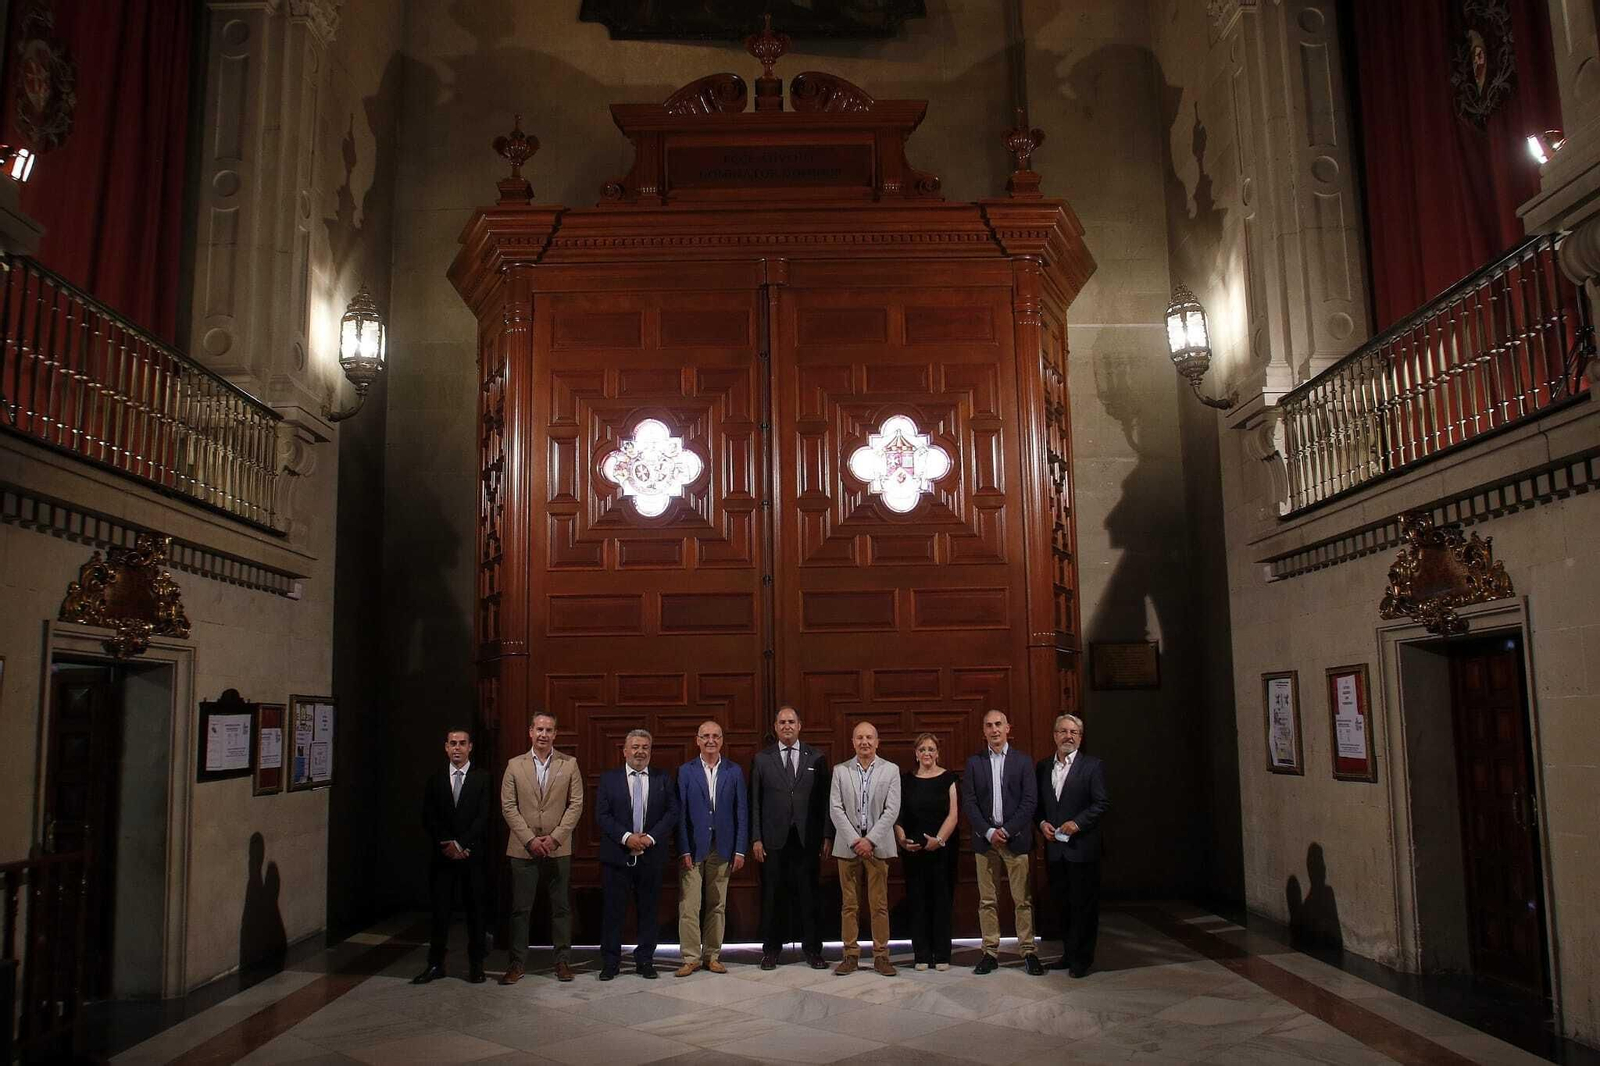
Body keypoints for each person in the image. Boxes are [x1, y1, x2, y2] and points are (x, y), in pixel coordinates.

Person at [500, 712, 583, 984]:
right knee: (520, 909)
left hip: (558, 849)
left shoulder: (569, 764)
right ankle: (517, 964)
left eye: (549, 730)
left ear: (556, 734)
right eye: (539, 729)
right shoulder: (514, 765)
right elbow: (509, 807)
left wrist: (555, 838)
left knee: (561, 908)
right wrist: (530, 840)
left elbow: (576, 805)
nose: (544, 734)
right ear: (530, 732)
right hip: (523, 849)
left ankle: (562, 962)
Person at [960, 709, 1043, 975]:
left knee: (1022, 899)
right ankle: (990, 952)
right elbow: (969, 802)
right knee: (987, 900)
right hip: (985, 843)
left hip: (1015, 840)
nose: (994, 729)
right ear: (983, 731)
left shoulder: (1023, 761)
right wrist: (988, 832)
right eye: (989, 725)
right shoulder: (975, 763)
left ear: (1008, 728)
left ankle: (1028, 951)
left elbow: (1030, 801)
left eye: (998, 724)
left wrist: (1007, 830)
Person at [749, 705, 832, 970]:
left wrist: (827, 836)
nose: (787, 726)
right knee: (773, 896)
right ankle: (771, 950)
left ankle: (812, 950)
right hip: (774, 840)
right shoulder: (762, 759)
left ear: (800, 726)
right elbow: (755, 803)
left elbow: (825, 802)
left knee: (809, 896)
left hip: (807, 840)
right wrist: (756, 838)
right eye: (782, 722)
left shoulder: (816, 758)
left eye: (791, 722)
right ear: (775, 727)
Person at [595, 729, 679, 980]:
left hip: (651, 856)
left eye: (645, 747)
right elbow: (602, 815)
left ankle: (645, 961)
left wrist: (649, 839)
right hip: (617, 857)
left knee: (649, 912)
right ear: (625, 751)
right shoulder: (609, 779)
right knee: (613, 913)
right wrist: (627, 838)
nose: (640, 751)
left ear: (650, 751)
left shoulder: (663, 778)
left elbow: (672, 812)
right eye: (635, 747)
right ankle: (610, 963)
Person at [415, 727, 491, 984]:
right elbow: (429, 817)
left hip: (472, 856)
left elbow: (483, 817)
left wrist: (463, 843)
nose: (457, 748)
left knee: (476, 913)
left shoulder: (482, 778)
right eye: (452, 743)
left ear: (470, 747)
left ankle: (476, 965)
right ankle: (435, 964)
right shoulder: (435, 780)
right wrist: (448, 844)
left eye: (462, 743)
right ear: (446, 747)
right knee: (440, 913)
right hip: (443, 857)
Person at [1038, 713, 1109, 977]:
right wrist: (1041, 823)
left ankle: (1082, 960)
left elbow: (1101, 803)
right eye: (1063, 731)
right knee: (1063, 906)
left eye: (1074, 732)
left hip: (1083, 849)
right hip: (1055, 851)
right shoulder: (1043, 766)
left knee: (1084, 907)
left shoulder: (1092, 766)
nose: (1068, 736)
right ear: (1055, 735)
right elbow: (1040, 807)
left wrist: (1077, 824)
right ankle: (1068, 955)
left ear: (1080, 737)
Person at [675, 719, 747, 976]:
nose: (710, 741)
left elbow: (741, 811)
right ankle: (690, 957)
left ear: (722, 740)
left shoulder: (734, 771)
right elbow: (680, 813)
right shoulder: (685, 771)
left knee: (717, 904)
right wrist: (683, 849)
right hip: (693, 848)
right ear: (697, 740)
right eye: (705, 736)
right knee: (690, 905)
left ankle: (712, 955)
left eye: (715, 736)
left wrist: (740, 850)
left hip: (723, 847)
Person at [828, 721, 901, 976]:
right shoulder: (840, 771)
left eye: (869, 737)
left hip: (877, 847)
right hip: (848, 848)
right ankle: (850, 955)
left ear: (877, 741)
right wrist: (855, 841)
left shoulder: (891, 771)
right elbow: (835, 809)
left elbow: (891, 810)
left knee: (879, 905)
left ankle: (881, 956)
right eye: (859, 737)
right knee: (849, 905)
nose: (865, 742)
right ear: (853, 742)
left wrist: (870, 840)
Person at [895, 732, 959, 971]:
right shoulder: (906, 780)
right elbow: (897, 814)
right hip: (913, 852)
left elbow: (953, 815)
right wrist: (901, 840)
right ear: (916, 754)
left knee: (941, 901)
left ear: (938, 752)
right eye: (922, 749)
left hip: (942, 850)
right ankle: (921, 954)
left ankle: (942, 954)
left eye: (931, 749)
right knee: (917, 902)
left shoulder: (949, 779)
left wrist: (939, 840)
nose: (927, 753)